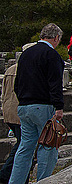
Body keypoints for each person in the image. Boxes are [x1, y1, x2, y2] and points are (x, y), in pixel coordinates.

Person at [9, 23, 65, 184]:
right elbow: (55, 84)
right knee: (48, 145)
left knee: (25, 147)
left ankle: (16, 181)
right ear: (56, 38)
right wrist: (59, 106)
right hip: (43, 105)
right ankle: (44, 181)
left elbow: (17, 83)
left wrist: (23, 99)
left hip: (24, 106)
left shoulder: (26, 54)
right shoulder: (51, 55)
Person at [0, 43, 36, 184]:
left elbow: (5, 91)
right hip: (20, 111)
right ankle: (7, 173)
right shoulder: (27, 70)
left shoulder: (10, 69)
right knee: (24, 146)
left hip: (9, 111)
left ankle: (20, 175)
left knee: (22, 144)